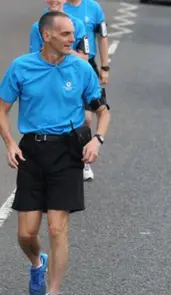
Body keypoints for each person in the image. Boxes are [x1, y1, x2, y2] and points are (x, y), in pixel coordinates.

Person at [0, 11, 110, 295]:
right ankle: (36, 263)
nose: (73, 40)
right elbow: (2, 111)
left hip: (67, 152)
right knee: (25, 234)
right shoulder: (22, 67)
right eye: (66, 34)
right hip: (32, 150)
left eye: (73, 33)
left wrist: (97, 140)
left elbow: (103, 110)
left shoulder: (81, 68)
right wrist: (10, 144)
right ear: (47, 36)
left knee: (57, 228)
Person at [64, 0, 110, 181]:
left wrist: (105, 66)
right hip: (62, 65)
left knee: (87, 117)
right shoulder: (58, 7)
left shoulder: (94, 8)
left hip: (85, 65)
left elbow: (103, 36)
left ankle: (84, 160)